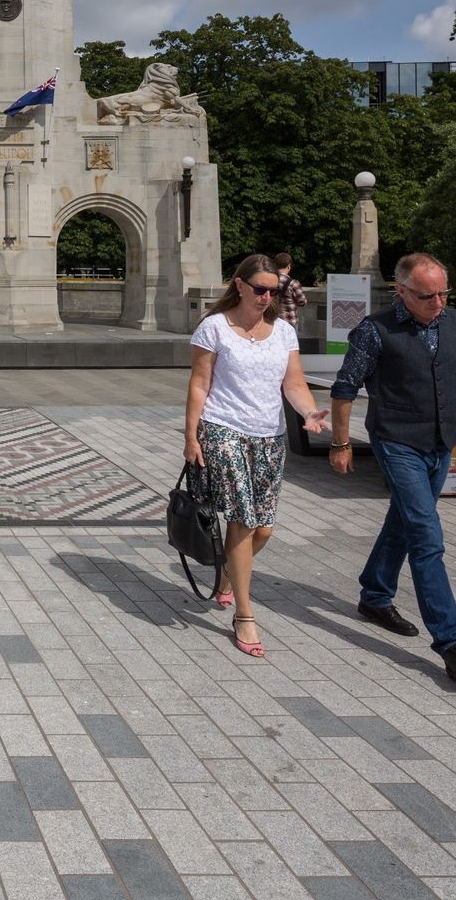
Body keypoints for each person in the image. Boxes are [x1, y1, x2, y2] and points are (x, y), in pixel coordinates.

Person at [327, 253, 456, 682]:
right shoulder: (375, 330)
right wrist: (341, 443)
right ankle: (453, 645)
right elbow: (344, 389)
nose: (438, 302)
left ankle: (375, 594)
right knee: (426, 536)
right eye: (427, 296)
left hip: (441, 441)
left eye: (444, 293)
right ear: (401, 291)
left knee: (405, 521)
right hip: (396, 441)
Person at [184, 254, 330, 658]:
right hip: (223, 429)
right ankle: (245, 615)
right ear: (240, 285)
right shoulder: (214, 327)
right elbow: (199, 384)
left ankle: (229, 571)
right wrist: (191, 436)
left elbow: (294, 383)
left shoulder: (283, 332)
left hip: (270, 436)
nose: (267, 297)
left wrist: (309, 413)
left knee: (263, 529)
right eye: (260, 289)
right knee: (244, 521)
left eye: (273, 291)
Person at [272, 252, 307, 327]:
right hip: (289, 321)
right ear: (289, 266)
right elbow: (302, 302)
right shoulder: (293, 283)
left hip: (273, 320)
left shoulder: (270, 280)